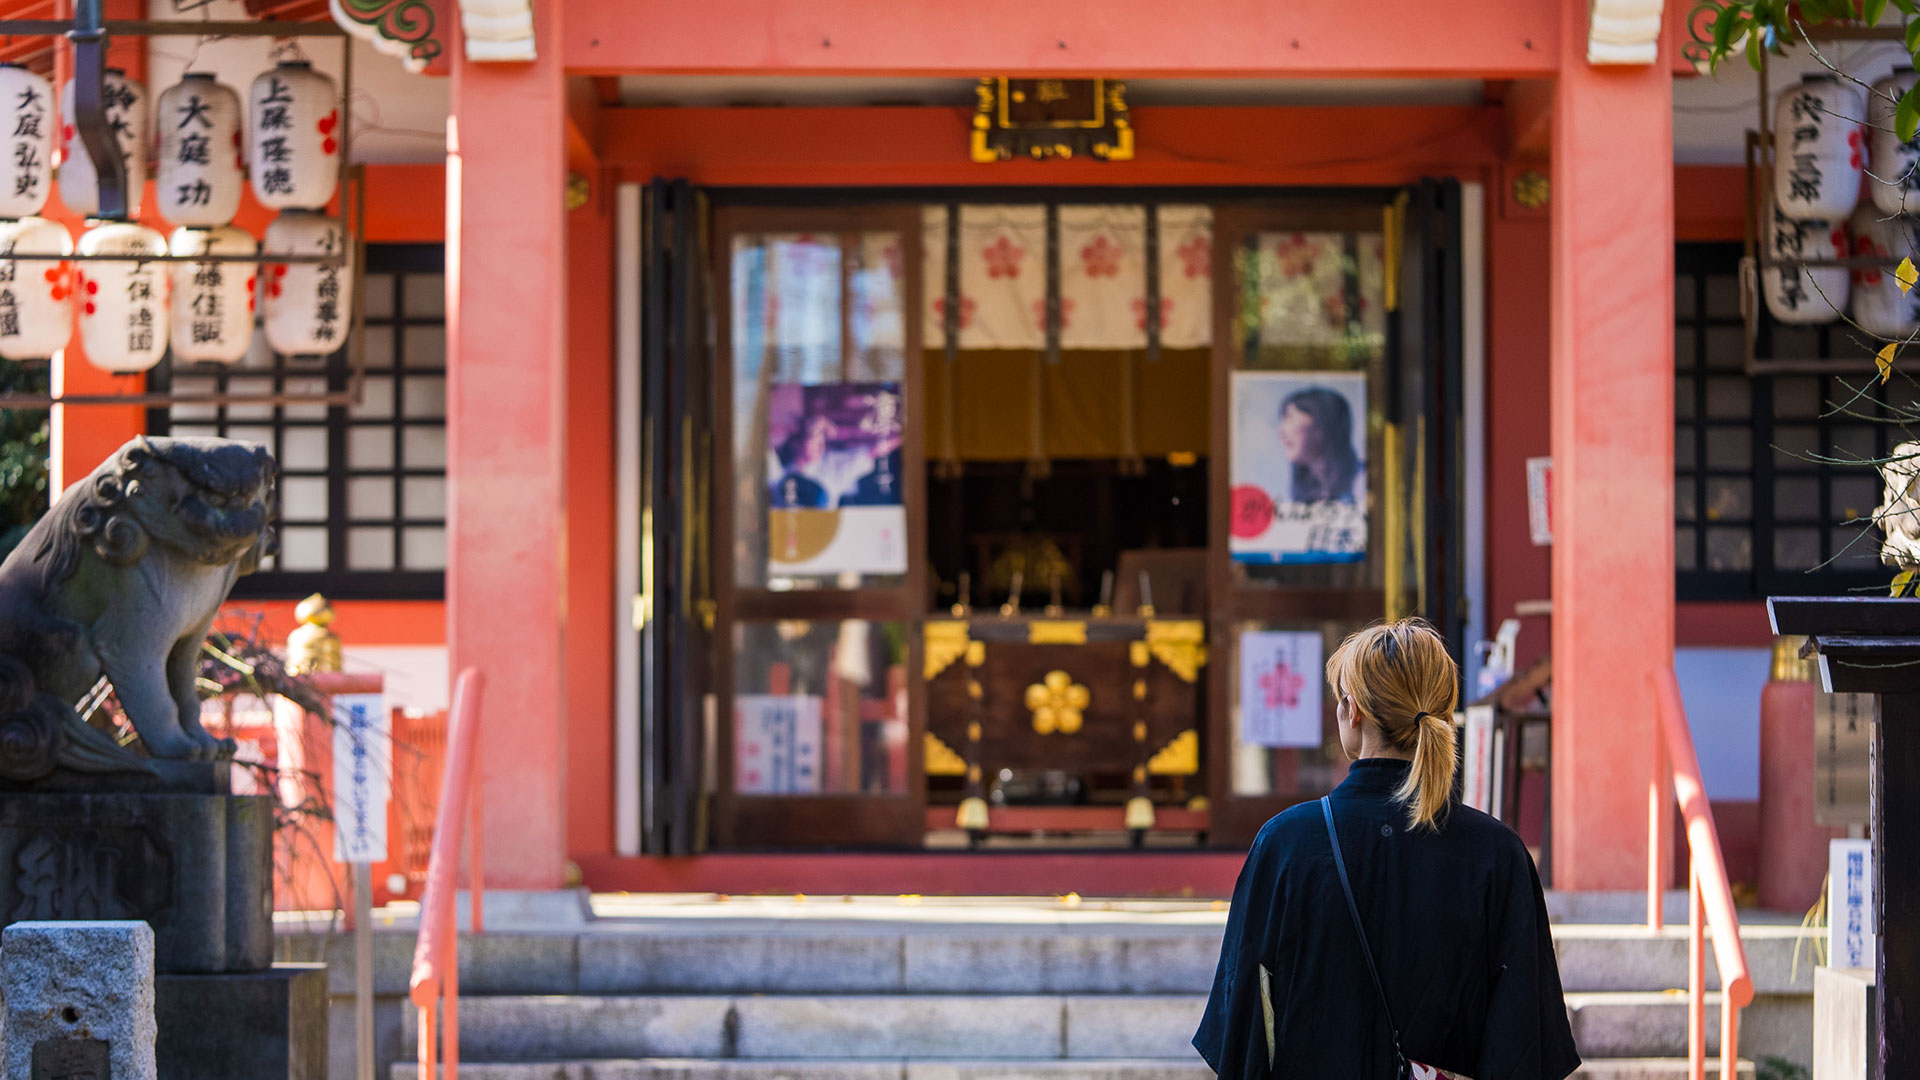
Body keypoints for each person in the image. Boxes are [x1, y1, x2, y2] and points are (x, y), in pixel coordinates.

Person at [1193, 619, 1579, 1080]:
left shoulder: (1286, 844)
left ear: (1352, 710)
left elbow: (1242, 1034)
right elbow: (1525, 1046)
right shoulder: (1498, 855)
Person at [1277, 386, 1363, 505]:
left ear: (1321, 425)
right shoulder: (1304, 494)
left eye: (1290, 417)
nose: (1281, 433)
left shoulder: (1363, 481)